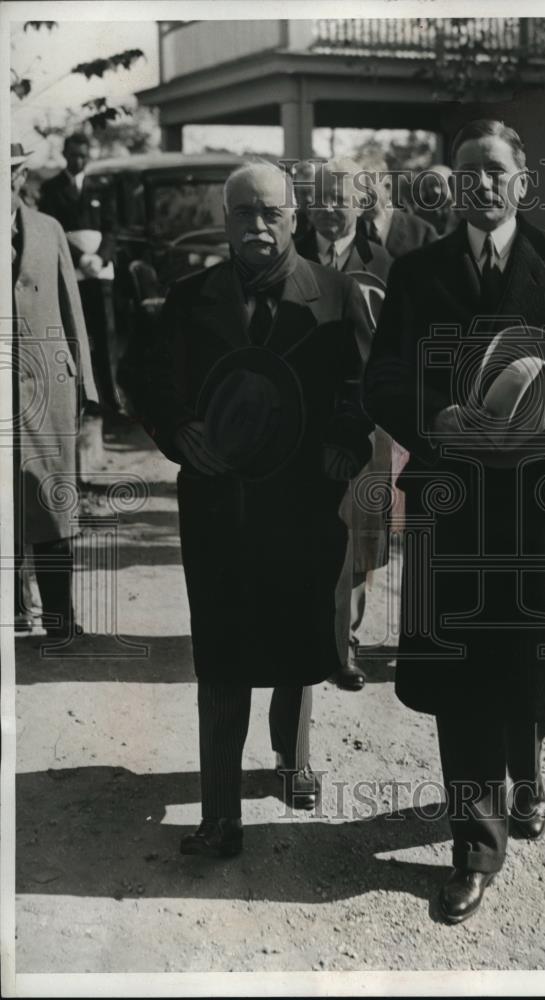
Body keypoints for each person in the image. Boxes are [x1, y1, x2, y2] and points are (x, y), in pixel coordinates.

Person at [364, 119, 545, 924]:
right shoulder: (418, 273)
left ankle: (527, 773)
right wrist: (437, 425)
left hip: (539, 514)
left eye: (493, 170)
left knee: (530, 671)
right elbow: (382, 378)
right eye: (466, 172)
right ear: (450, 186)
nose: (479, 185)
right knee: (462, 682)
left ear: (522, 182)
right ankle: (473, 845)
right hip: (455, 510)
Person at [141, 161, 373, 859]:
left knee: (299, 640)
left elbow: (365, 385)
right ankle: (219, 815)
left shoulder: (335, 295)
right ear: (224, 219)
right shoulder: (188, 299)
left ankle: (291, 759)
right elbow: (146, 376)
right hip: (219, 506)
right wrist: (177, 426)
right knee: (220, 652)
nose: (257, 227)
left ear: (294, 218)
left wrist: (345, 441)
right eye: (243, 213)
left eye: (271, 213)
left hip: (304, 506)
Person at [296, 157, 392, 691]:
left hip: (367, 424)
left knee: (360, 539)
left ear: (362, 203)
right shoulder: (290, 258)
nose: (330, 209)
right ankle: (316, 637)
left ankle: (345, 641)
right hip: (303, 423)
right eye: (321, 197)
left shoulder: (386, 264)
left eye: (342, 198)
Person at [10, 142, 99, 637]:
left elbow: (72, 309)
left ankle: (61, 620)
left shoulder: (48, 230)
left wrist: (82, 383)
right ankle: (15, 612)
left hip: (47, 386)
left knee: (51, 503)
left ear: (19, 176)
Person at [38, 131, 122, 414]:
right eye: (74, 154)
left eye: (84, 155)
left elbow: (112, 229)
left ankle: (111, 402)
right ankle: (81, 400)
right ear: (65, 154)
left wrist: (100, 257)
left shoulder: (101, 187)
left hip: (100, 272)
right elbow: (52, 230)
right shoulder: (51, 189)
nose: (79, 160)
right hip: (71, 270)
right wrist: (79, 258)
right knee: (76, 334)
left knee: (106, 336)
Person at [356, 150, 437, 257]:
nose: (359, 198)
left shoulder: (421, 233)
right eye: (353, 191)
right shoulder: (347, 233)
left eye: (366, 189)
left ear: (387, 186)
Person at [410, 164, 459, 237]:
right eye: (431, 185)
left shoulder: (461, 213)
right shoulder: (421, 215)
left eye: (440, 185)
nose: (435, 190)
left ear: (450, 185)